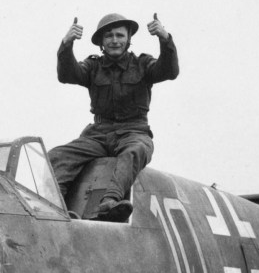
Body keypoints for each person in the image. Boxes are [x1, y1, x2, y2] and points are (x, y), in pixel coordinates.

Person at [49, 12, 179, 222]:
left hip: (133, 131)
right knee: (57, 156)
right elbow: (67, 75)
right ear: (101, 42)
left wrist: (165, 39)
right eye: (109, 36)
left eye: (120, 35)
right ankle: (56, 206)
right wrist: (67, 44)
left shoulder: (142, 64)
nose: (114, 40)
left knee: (136, 150)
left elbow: (169, 71)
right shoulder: (93, 66)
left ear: (128, 39)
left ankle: (110, 201)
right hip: (98, 135)